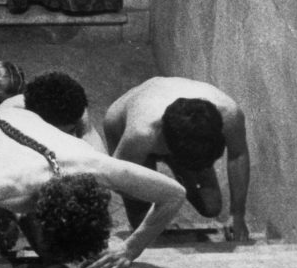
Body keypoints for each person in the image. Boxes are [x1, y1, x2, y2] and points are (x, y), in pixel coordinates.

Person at [0, 86, 186, 268]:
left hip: (23, 117)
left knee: (65, 251)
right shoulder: (12, 186)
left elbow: (174, 194)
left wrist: (130, 248)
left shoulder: (100, 167)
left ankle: (12, 219)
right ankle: (2, 217)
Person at [100, 77, 251, 242]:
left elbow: (238, 155)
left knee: (211, 206)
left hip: (172, 130)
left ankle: (182, 179)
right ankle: (169, 187)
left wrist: (238, 215)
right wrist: (163, 195)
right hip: (123, 121)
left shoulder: (230, 114)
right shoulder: (141, 134)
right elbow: (115, 178)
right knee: (145, 228)